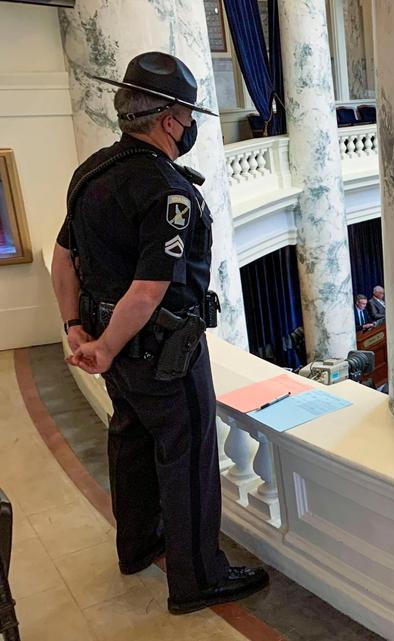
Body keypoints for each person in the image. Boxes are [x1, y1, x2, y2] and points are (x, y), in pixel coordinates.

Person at [50, 52, 268, 615]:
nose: (190, 126)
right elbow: (148, 291)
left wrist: (80, 329)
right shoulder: (166, 189)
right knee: (188, 455)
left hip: (114, 347)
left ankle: (137, 544)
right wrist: (107, 345)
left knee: (130, 440)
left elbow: (62, 257)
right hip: (161, 350)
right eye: (187, 115)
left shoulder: (91, 170)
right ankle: (199, 579)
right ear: (171, 120)